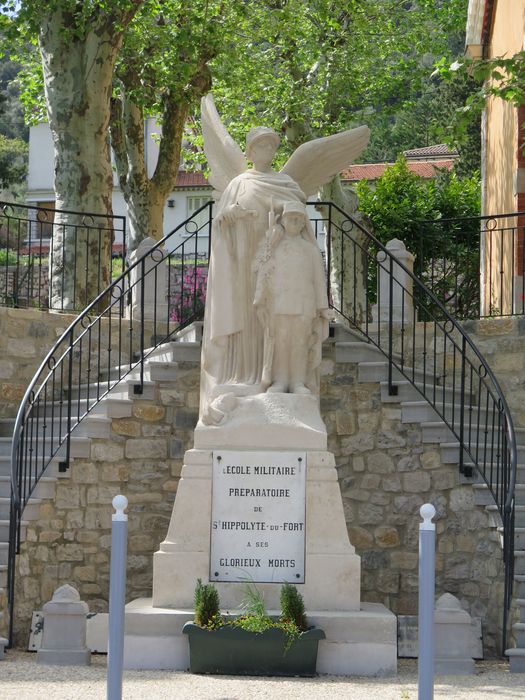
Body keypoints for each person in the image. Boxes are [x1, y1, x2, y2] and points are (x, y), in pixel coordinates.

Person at [201, 127, 310, 423]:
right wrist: (231, 215)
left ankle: (277, 377)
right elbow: (220, 222)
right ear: (249, 152)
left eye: (271, 146)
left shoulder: (287, 183)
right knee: (246, 319)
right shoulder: (238, 183)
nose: (266, 151)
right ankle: (244, 374)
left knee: (274, 325)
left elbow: (300, 220)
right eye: (260, 146)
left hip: (276, 268)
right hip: (242, 262)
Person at [253, 201, 332, 395]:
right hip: (279, 303)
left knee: (299, 343)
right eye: (291, 217)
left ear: (304, 222)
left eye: (299, 218)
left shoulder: (311, 250)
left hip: (304, 304)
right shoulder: (274, 247)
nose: (295, 221)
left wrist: (323, 307)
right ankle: (280, 380)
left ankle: (298, 381)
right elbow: (261, 269)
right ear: (283, 220)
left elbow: (318, 280)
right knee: (280, 342)